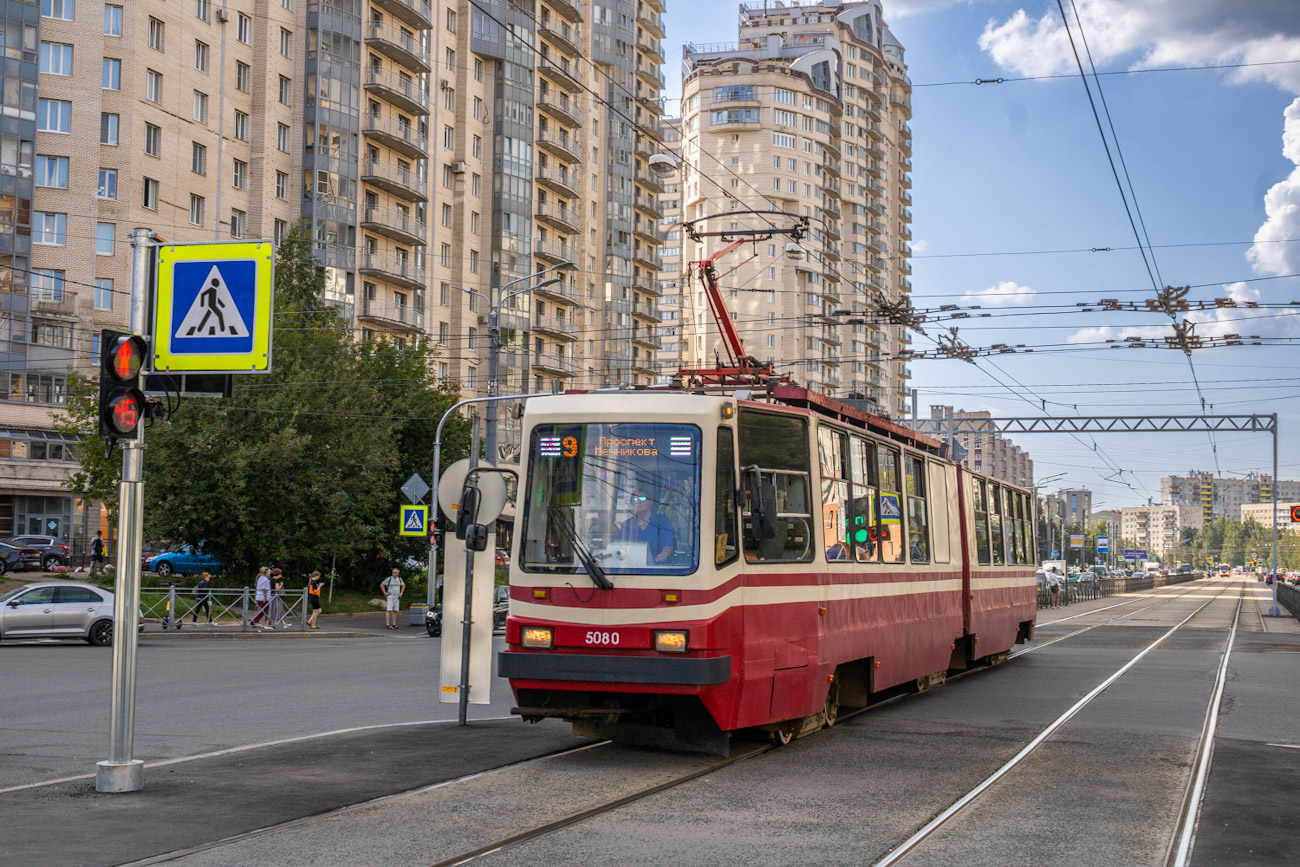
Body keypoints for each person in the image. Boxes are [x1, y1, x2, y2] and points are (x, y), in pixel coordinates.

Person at [617, 490, 674, 564]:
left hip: (657, 569)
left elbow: (667, 544)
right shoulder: (626, 525)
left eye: (642, 498)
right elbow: (620, 547)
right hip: (632, 567)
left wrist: (663, 555)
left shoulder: (661, 520)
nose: (638, 502)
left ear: (650, 502)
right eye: (634, 500)